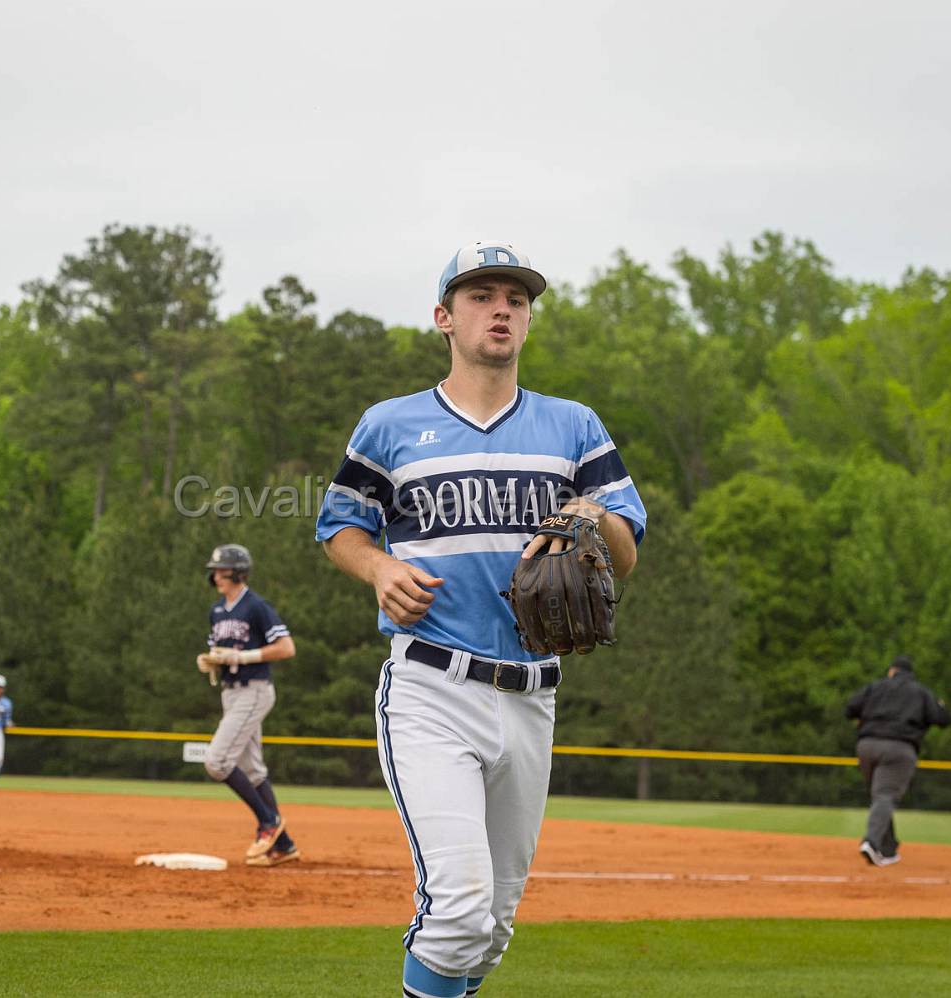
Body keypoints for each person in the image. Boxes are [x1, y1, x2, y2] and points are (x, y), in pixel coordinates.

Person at [316, 241, 645, 998]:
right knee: (459, 911)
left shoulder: (573, 427)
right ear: (444, 317)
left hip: (532, 693)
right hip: (433, 685)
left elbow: (625, 554)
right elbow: (340, 526)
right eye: (481, 296)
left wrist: (592, 510)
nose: (501, 309)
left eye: (516, 299)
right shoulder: (390, 425)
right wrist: (379, 567)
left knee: (491, 927)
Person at [198, 543, 301, 867]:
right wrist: (214, 662)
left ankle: (268, 822)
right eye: (215, 569)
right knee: (253, 770)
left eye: (221, 569)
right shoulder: (217, 611)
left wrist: (242, 656)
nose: (215, 574)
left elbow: (286, 648)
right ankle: (284, 846)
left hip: (254, 690)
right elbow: (220, 650)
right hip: (230, 693)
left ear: (237, 571)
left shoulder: (256, 606)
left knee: (217, 761)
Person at [845, 655, 951, 866]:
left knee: (880, 796)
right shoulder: (920, 691)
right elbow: (942, 718)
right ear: (910, 674)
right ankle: (872, 843)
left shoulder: (876, 687)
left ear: (892, 671)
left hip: (866, 745)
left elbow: (850, 707)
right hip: (899, 747)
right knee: (885, 795)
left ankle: (888, 848)